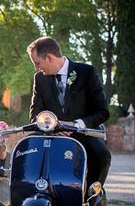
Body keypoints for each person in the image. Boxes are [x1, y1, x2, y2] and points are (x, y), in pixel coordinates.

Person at [27, 36, 111, 188]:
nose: (36, 68)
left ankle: (91, 197)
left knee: (102, 155)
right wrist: (52, 125)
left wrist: (75, 124)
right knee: (28, 149)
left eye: (37, 63)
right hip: (52, 133)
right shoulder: (39, 79)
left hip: (84, 132)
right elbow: (35, 113)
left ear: (49, 58)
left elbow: (102, 112)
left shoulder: (87, 72)